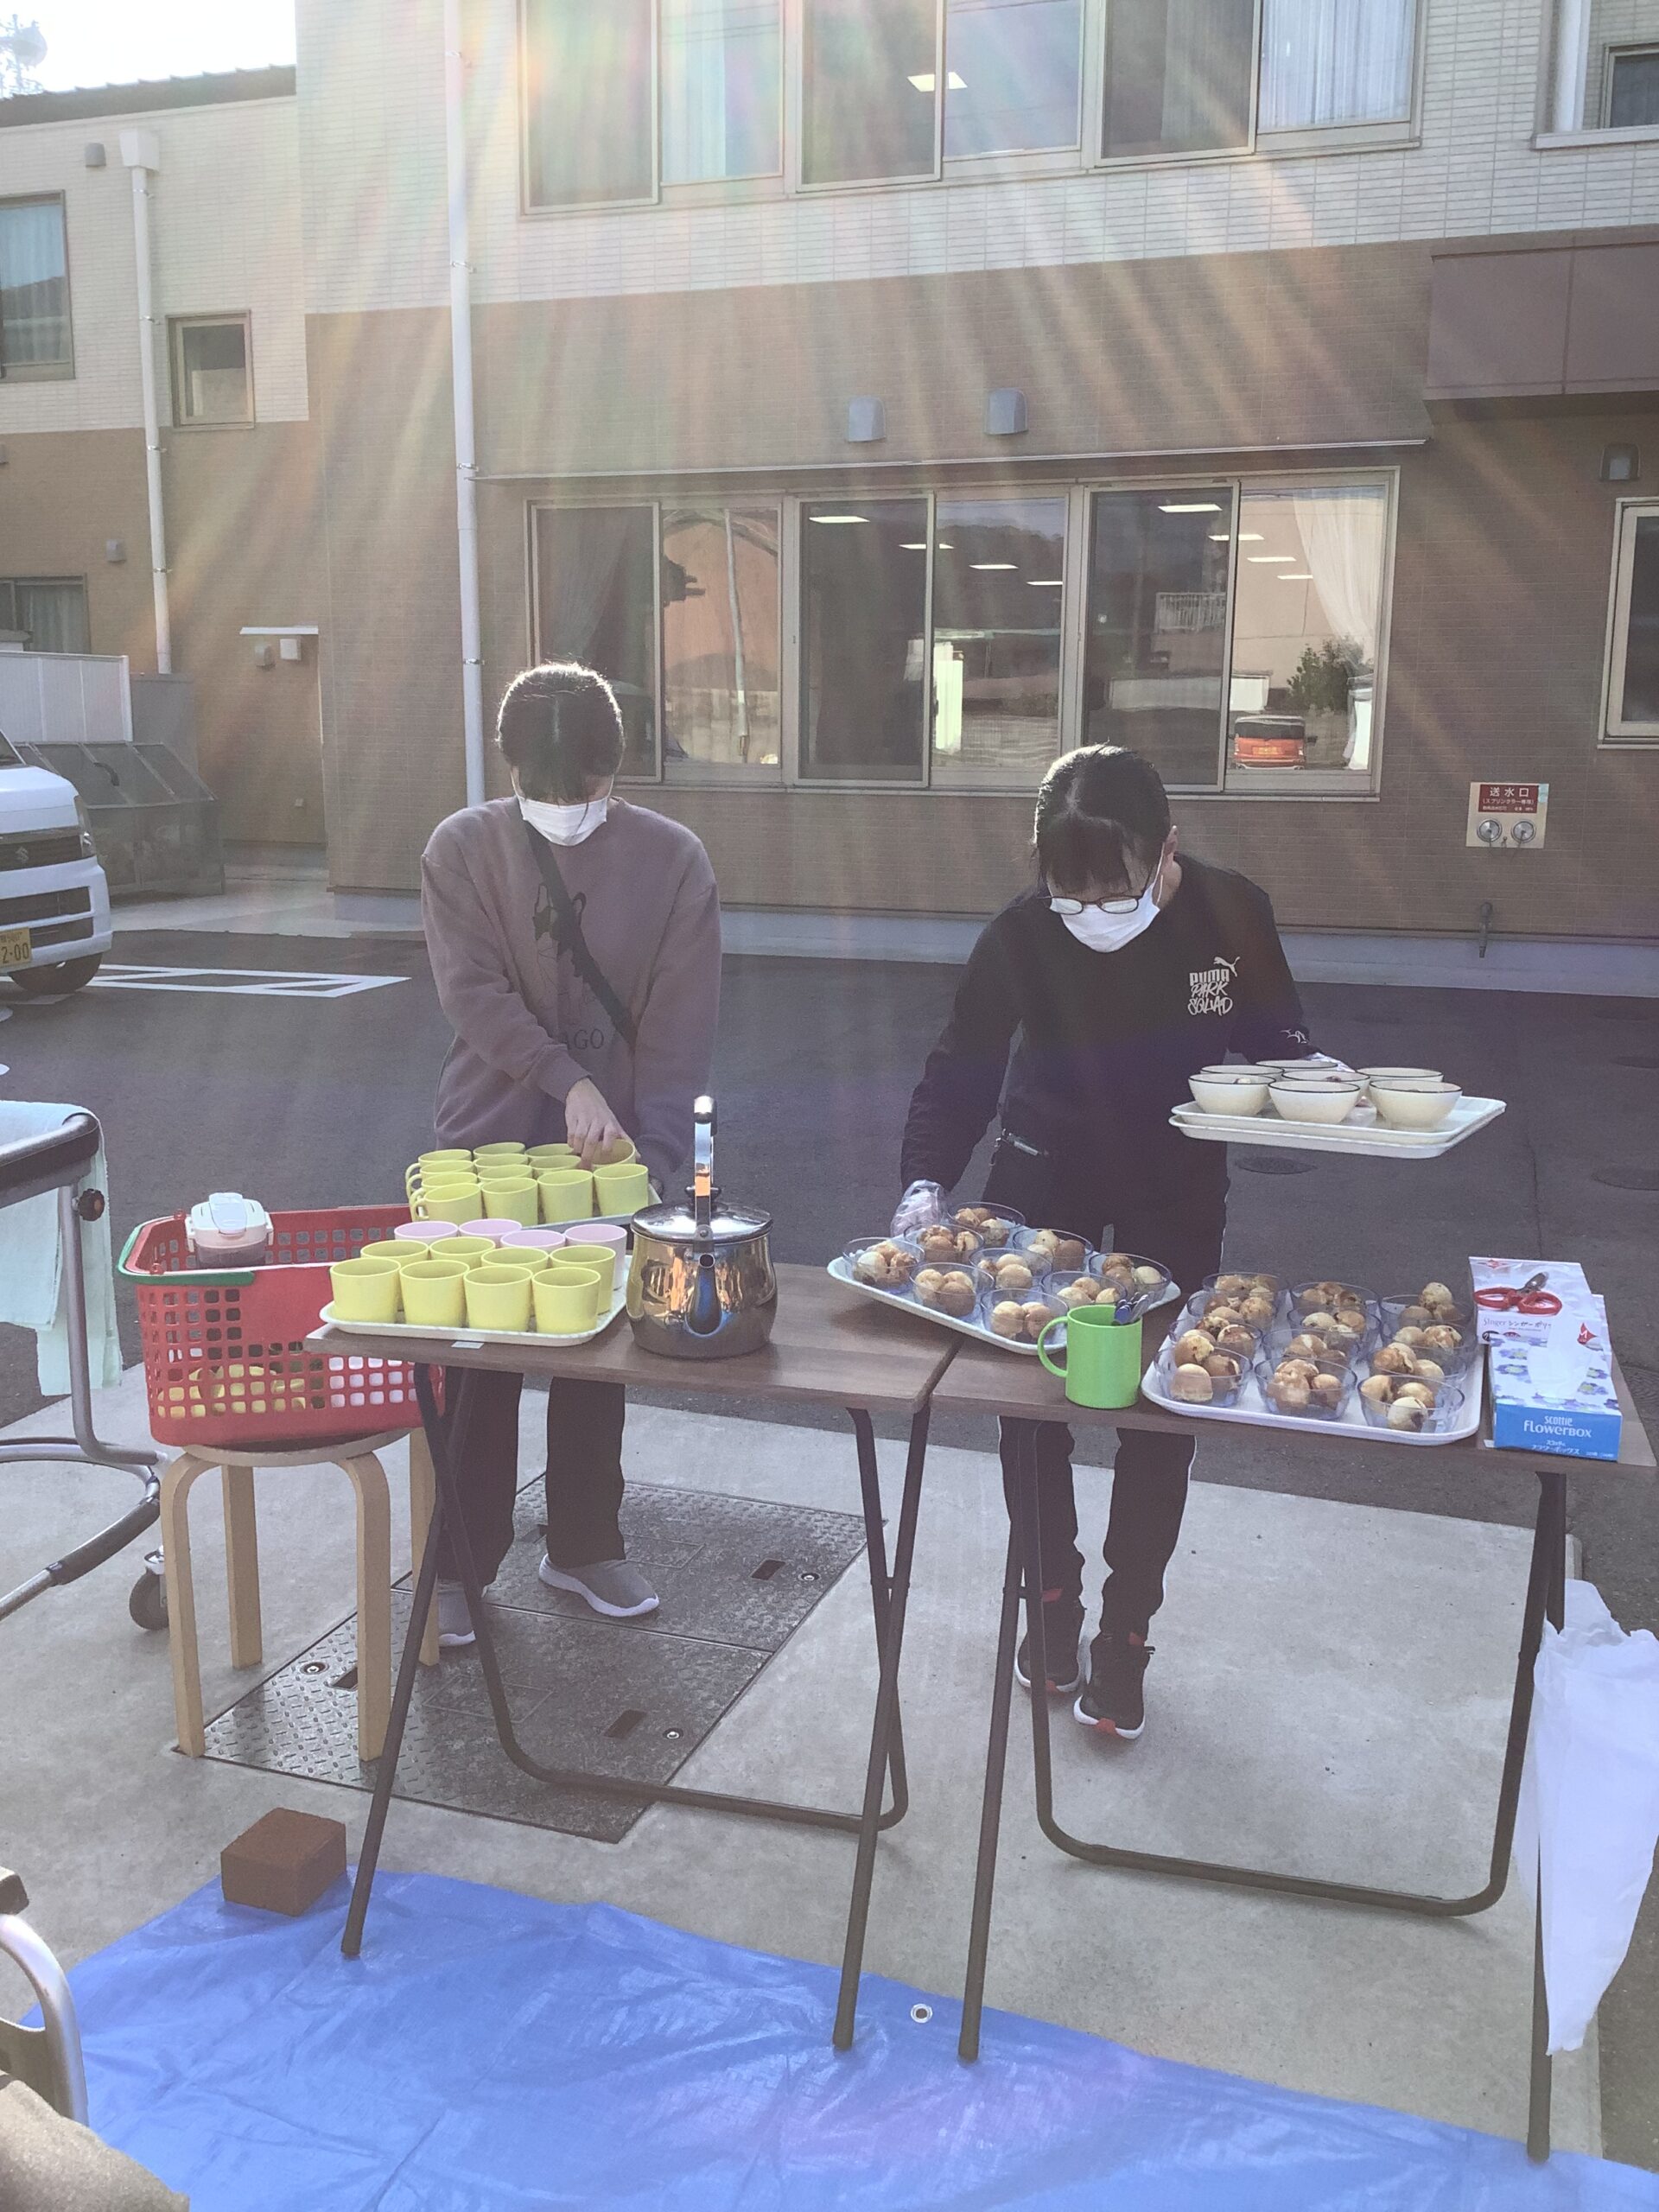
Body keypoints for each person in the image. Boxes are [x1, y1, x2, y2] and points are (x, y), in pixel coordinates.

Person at [897, 746, 1312, 1739]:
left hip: (1174, 1181)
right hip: (1047, 1173)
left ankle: (1127, 1634)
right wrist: (923, 1183)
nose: (1091, 912)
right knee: (1030, 1400)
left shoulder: (1231, 912)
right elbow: (962, 1066)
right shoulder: (1022, 932)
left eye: (1115, 893)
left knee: (1161, 1405)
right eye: (1069, 894)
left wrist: (1315, 1082)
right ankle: (1050, 1602)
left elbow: (1277, 1039)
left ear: (1168, 851)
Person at [420, 662, 721, 1644]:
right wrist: (567, 1078)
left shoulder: (673, 861)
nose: (562, 806)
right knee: (482, 1356)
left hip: (615, 1157)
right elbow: (472, 992)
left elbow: (679, 1027)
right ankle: (461, 1560)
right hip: (487, 1143)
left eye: (578, 788)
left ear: (612, 768)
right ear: (508, 767)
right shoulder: (462, 847)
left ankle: (586, 1542)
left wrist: (660, 1160)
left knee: (598, 1349)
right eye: (539, 788)